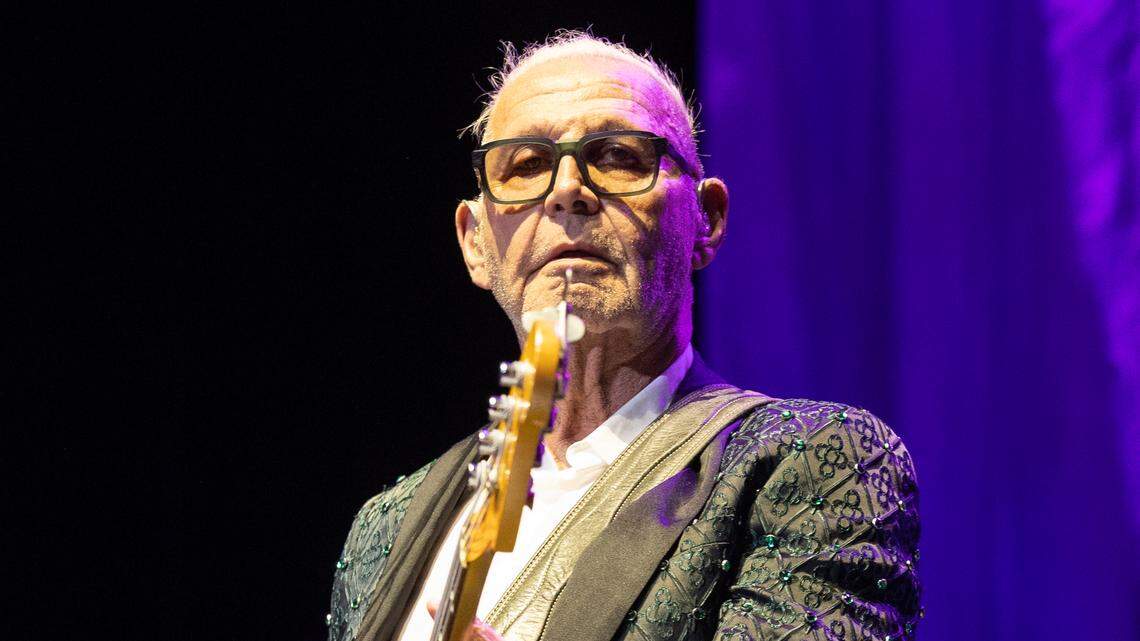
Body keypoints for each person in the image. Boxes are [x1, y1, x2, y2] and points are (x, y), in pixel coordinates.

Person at [327, 31, 921, 641]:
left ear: (706, 220)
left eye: (616, 156)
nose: (566, 191)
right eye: (525, 165)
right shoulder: (389, 524)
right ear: (475, 243)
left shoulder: (812, 463)